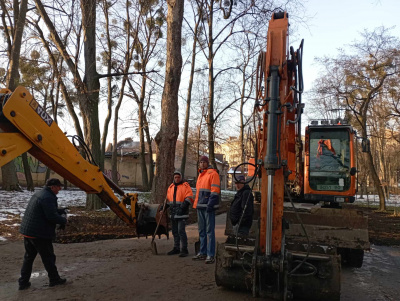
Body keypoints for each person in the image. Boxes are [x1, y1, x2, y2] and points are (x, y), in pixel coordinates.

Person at [18, 178, 68, 290]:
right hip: (39, 233)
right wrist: (64, 220)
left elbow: (47, 210)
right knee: (48, 257)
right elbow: (51, 216)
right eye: (58, 186)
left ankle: (23, 282)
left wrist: (60, 211)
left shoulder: (41, 193)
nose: (60, 188)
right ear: (52, 187)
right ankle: (54, 280)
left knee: (29, 258)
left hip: (28, 232)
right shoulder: (48, 197)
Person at [192, 156, 220, 264]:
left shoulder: (213, 174)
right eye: (201, 162)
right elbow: (199, 193)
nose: (202, 164)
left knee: (209, 231)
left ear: (207, 163)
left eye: (204, 162)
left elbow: (215, 190)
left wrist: (210, 204)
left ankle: (210, 254)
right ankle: (203, 252)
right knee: (202, 231)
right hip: (200, 206)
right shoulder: (201, 175)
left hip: (208, 207)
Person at [165, 171, 194, 257]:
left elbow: (189, 198)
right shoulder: (170, 187)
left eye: (178, 177)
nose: (177, 179)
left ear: (181, 177)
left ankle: (184, 249)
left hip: (182, 212)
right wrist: (164, 207)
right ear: (173, 178)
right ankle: (176, 247)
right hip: (173, 213)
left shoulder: (185, 186)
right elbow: (168, 200)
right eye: (175, 177)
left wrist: (182, 207)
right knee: (175, 231)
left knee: (181, 230)